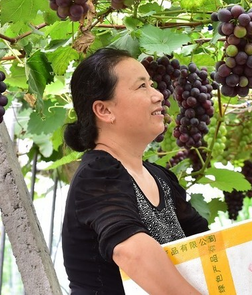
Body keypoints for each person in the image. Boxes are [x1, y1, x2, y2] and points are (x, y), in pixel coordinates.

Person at [62, 47, 208, 295]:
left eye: (152, 84)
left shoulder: (161, 178)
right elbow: (132, 253)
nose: (159, 95)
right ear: (104, 111)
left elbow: (205, 244)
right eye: (142, 87)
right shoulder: (97, 174)